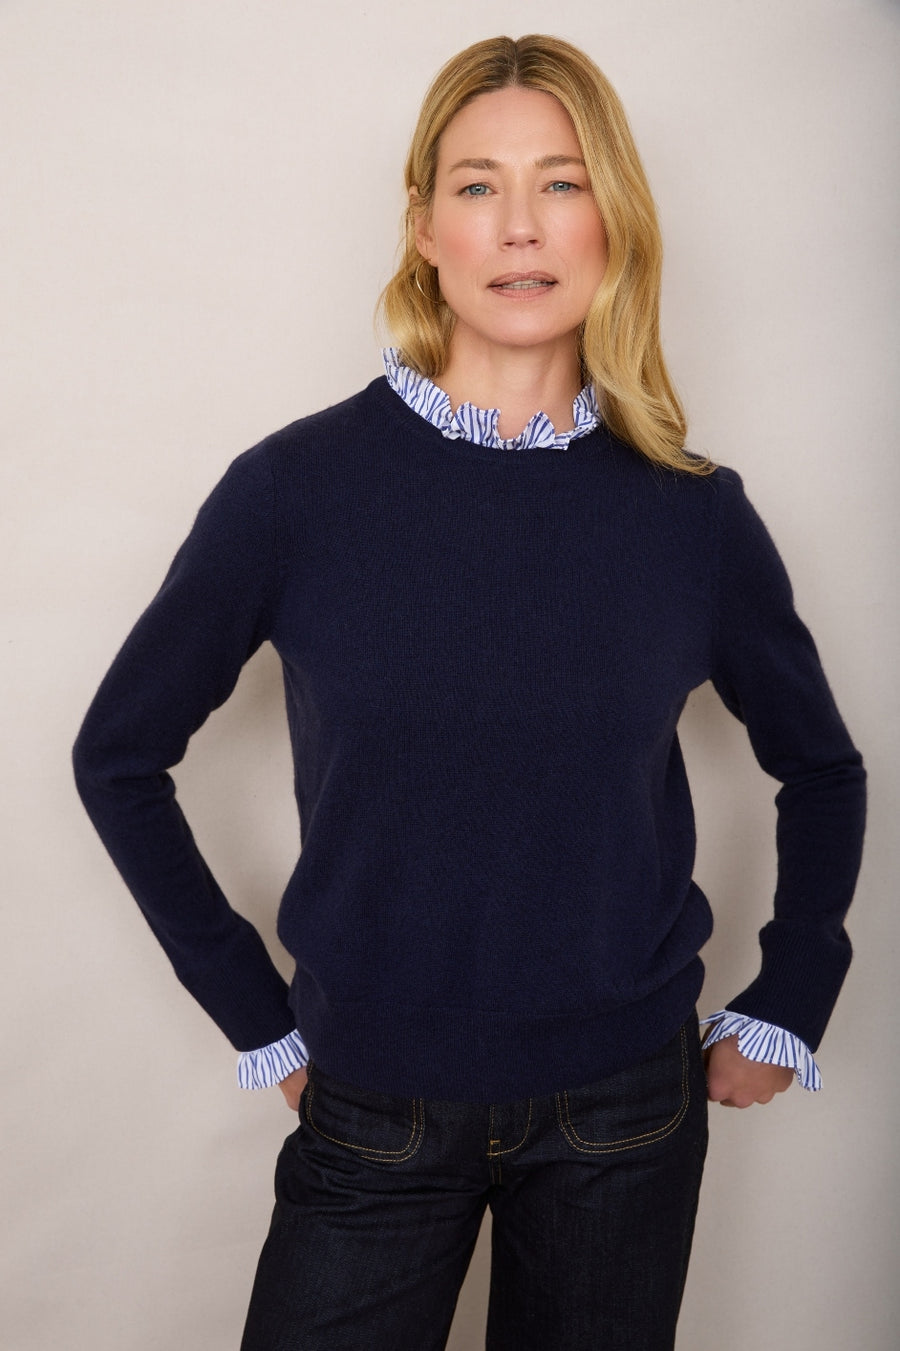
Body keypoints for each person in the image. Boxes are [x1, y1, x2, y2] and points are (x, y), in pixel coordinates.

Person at [72, 33, 866, 1351]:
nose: (520, 225)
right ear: (423, 228)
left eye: (561, 182)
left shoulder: (694, 516)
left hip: (627, 1116)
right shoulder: (295, 492)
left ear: (613, 220)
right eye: (478, 185)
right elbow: (117, 755)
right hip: (372, 1108)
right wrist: (257, 1018)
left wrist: (795, 993)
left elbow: (823, 768)